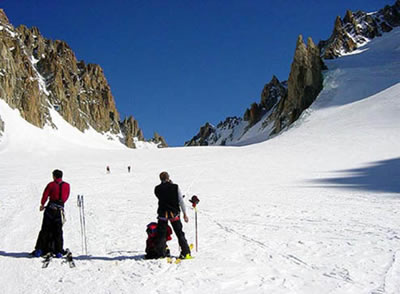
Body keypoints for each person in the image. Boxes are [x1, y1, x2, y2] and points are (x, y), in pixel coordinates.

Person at [31, 169, 70, 258]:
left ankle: (40, 249)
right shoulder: (67, 185)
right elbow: (66, 196)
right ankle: (58, 251)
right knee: (58, 231)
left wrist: (42, 204)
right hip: (59, 210)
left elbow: (45, 195)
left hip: (50, 210)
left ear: (54, 176)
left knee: (45, 229)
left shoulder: (51, 185)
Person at [154, 171, 191, 259]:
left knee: (161, 234)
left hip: (162, 214)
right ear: (168, 178)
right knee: (179, 233)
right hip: (174, 213)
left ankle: (161, 253)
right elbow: (180, 201)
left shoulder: (157, 188)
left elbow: (161, 196)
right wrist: (185, 213)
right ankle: (185, 252)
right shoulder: (175, 187)